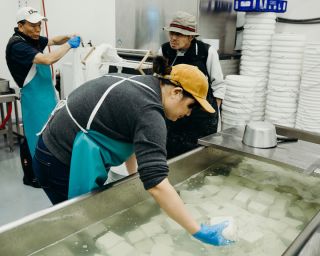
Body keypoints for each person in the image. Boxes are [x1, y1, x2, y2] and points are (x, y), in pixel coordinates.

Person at [32, 56, 234, 246]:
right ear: (176, 92)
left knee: (84, 223)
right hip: (57, 161)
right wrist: (198, 231)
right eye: (190, 106)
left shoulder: (144, 85)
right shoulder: (150, 112)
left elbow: (130, 137)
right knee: (79, 229)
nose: (188, 114)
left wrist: (135, 177)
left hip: (51, 149)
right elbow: (156, 182)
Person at [5, 6, 81, 187]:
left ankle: (47, 170)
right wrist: (69, 46)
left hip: (47, 96)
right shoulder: (18, 45)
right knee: (35, 137)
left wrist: (68, 36)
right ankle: (32, 175)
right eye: (33, 25)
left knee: (48, 134)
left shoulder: (32, 38)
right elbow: (47, 59)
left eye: (39, 24)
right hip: (34, 99)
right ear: (20, 26)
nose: (37, 29)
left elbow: (53, 40)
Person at [159, 11, 225, 158]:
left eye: (179, 34)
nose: (173, 38)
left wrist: (212, 115)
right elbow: (159, 81)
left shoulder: (207, 52)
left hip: (200, 118)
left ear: (191, 36)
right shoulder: (164, 51)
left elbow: (219, 85)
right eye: (171, 33)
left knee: (199, 158)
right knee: (172, 155)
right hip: (174, 115)